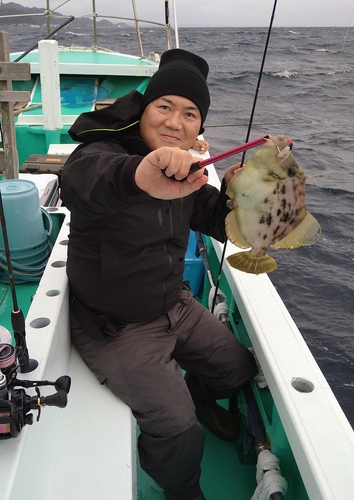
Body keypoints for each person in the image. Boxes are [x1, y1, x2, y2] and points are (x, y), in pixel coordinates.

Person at [61, 48, 257, 500]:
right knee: (177, 429)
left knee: (237, 370)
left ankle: (204, 397)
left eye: (190, 114)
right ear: (142, 109)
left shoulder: (189, 169)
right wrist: (138, 174)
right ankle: (182, 490)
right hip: (115, 326)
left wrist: (236, 199)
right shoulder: (104, 152)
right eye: (164, 106)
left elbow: (210, 217)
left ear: (199, 127)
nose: (175, 122)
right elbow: (82, 180)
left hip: (175, 304)